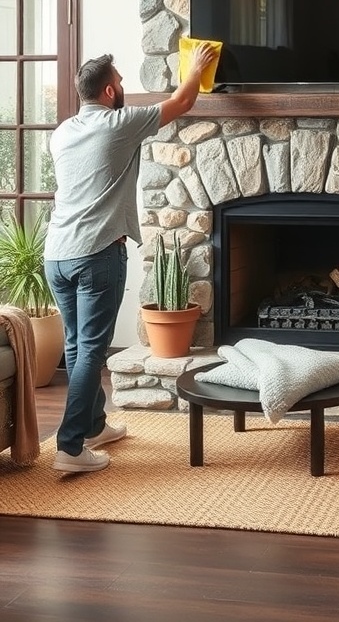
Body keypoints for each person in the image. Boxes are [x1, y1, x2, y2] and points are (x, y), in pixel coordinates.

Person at [44, 42, 217, 474]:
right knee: (90, 351)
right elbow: (183, 102)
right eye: (120, 82)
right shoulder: (119, 124)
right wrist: (196, 66)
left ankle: (93, 427)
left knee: (77, 345)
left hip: (57, 255)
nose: (123, 87)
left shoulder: (62, 132)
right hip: (97, 253)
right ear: (108, 92)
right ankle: (70, 447)